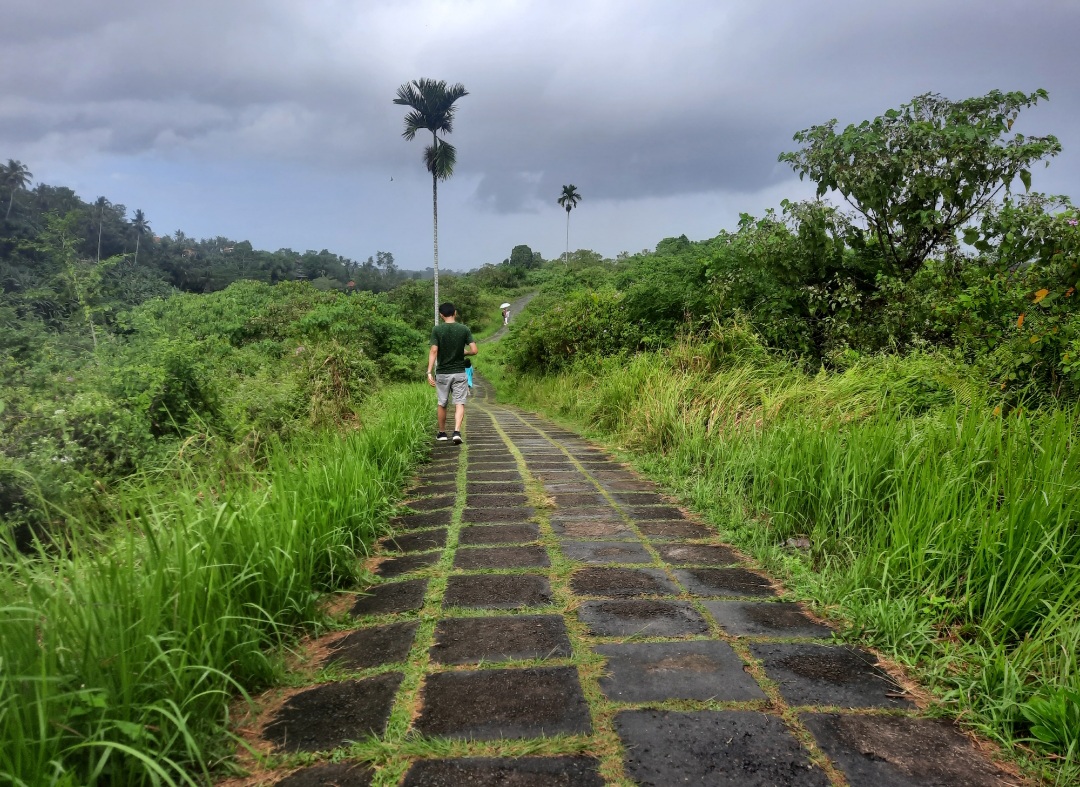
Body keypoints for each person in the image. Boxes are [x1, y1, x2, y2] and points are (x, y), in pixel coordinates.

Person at [427, 302, 477, 444]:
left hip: (442, 373)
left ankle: (442, 433)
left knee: (442, 403)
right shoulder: (464, 329)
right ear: (455, 312)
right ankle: (456, 432)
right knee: (459, 402)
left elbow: (434, 350)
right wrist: (465, 352)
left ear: (441, 315)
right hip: (459, 373)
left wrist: (429, 371)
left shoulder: (437, 330)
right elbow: (474, 350)